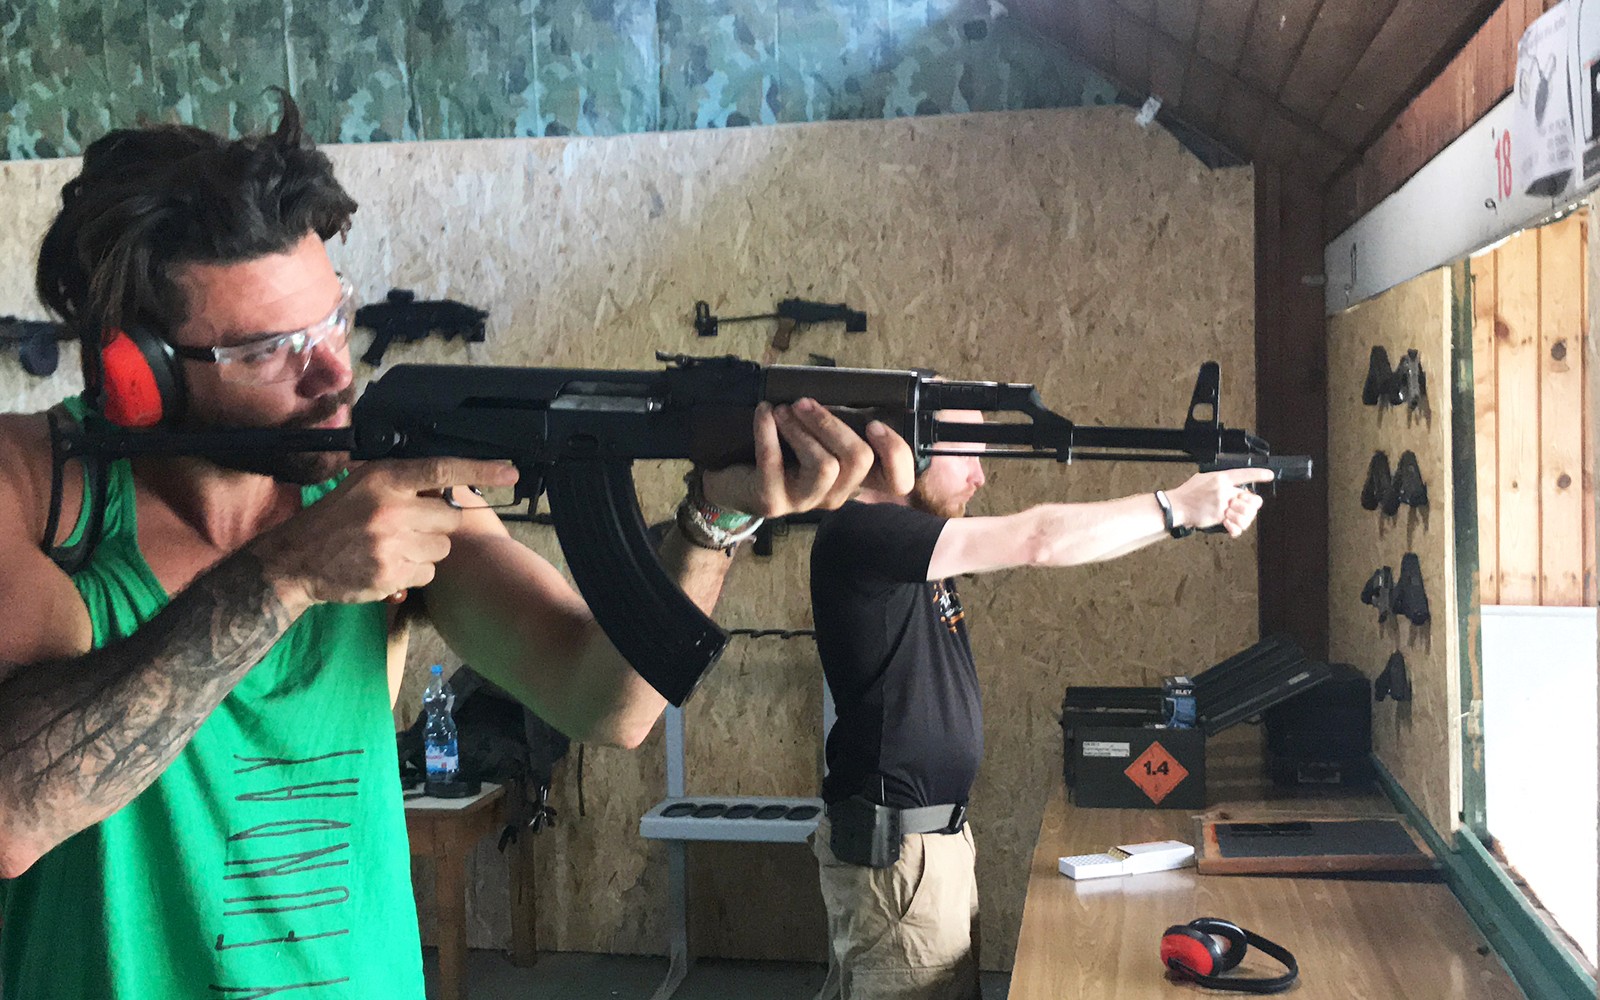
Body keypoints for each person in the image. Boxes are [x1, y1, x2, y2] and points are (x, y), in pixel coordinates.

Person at [0, 96, 913, 999]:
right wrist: (284, 577)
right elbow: (15, 811)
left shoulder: (378, 483)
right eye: (270, 350)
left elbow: (609, 702)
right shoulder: (36, 492)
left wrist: (717, 518)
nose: (332, 371)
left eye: (331, 320)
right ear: (140, 372)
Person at [808, 410, 1272, 1000]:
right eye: (966, 455)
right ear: (909, 448)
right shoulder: (863, 533)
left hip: (927, 846)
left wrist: (1181, 519)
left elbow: (1060, 543)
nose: (979, 477)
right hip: (899, 856)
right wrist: (1174, 506)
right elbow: (1039, 541)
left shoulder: (906, 542)